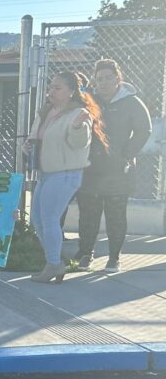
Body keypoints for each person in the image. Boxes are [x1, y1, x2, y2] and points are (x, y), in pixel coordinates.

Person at [25, 71, 105, 283]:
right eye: (51, 87)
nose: (51, 91)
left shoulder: (78, 113)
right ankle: (53, 262)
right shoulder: (46, 111)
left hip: (65, 173)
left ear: (71, 91)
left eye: (57, 88)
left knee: (49, 219)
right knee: (38, 221)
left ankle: (54, 265)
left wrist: (78, 127)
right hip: (46, 173)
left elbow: (80, 144)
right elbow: (37, 136)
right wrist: (29, 144)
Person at [76, 59, 152, 272]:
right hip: (90, 167)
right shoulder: (88, 101)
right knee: (88, 214)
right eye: (100, 79)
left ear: (118, 78)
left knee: (115, 215)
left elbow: (144, 130)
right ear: (95, 80)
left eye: (109, 77)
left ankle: (114, 258)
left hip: (119, 170)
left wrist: (126, 155)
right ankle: (86, 254)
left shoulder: (131, 102)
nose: (104, 82)